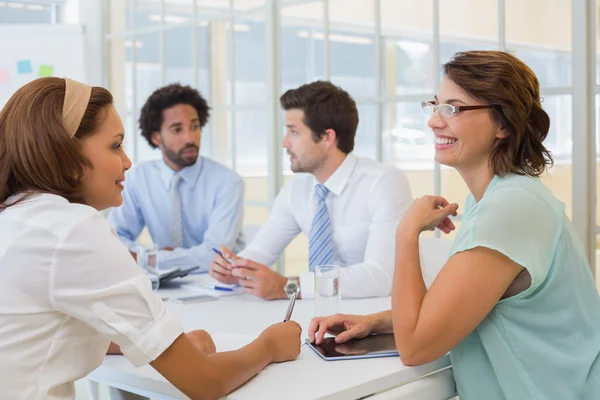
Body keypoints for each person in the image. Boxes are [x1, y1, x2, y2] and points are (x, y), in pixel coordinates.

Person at [307, 51, 600, 399]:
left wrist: (406, 232)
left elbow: (415, 346)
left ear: (503, 124)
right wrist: (375, 321)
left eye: (453, 108)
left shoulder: (509, 210)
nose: (433, 121)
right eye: (435, 105)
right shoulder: (499, 197)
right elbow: (460, 307)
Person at [0, 77, 301, 400]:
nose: (127, 161)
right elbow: (205, 382)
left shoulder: (17, 216)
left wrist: (166, 341)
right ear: (66, 155)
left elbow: (37, 331)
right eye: (115, 145)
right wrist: (270, 345)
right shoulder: (72, 228)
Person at [209, 81, 412, 300]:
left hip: (377, 317)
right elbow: (261, 251)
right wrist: (236, 268)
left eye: (293, 132)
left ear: (327, 138)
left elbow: (380, 276)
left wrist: (289, 286)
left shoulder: (383, 182)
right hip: (318, 317)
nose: (284, 143)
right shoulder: (297, 189)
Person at [109, 83, 245, 271]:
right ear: (156, 138)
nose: (190, 138)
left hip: (221, 285)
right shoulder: (139, 178)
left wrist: (152, 258)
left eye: (195, 126)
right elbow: (114, 240)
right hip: (164, 285)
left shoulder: (228, 182)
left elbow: (214, 254)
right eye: (177, 129)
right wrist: (149, 254)